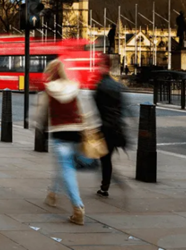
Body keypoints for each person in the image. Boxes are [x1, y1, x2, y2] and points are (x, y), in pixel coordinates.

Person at [34, 58, 100, 226]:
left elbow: (40, 114)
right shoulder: (76, 88)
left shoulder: (48, 91)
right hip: (77, 133)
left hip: (60, 135)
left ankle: (78, 207)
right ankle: (52, 194)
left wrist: (37, 125)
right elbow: (88, 112)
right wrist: (92, 129)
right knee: (65, 165)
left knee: (66, 168)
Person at [94, 55, 127, 198]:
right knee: (107, 158)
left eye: (100, 65)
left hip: (105, 127)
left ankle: (107, 184)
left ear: (105, 67)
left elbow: (96, 109)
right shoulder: (117, 85)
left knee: (104, 159)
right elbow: (122, 108)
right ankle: (106, 184)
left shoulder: (101, 85)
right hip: (116, 127)